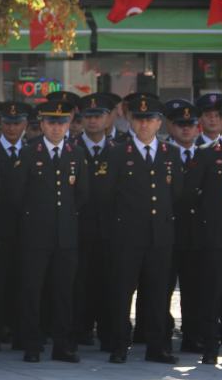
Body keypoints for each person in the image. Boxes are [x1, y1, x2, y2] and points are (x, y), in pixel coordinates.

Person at [98, 97, 183, 365]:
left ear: (160, 123)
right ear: (131, 122)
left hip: (160, 236)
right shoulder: (116, 152)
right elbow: (105, 195)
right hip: (127, 236)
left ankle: (156, 346)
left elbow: (176, 193)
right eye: (139, 119)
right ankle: (119, 345)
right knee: (122, 292)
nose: (144, 124)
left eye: (150, 120)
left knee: (158, 295)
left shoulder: (171, 153)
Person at [11, 100, 89, 363]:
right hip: (35, 233)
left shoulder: (76, 153)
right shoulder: (29, 153)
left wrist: (62, 217)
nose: (56, 128)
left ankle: (62, 344)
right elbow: (18, 195)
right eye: (51, 123)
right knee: (32, 291)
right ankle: (32, 343)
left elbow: (81, 194)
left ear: (68, 126)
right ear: (42, 125)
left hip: (65, 235)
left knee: (63, 292)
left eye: (61, 123)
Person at [186, 97, 222, 365]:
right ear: (220, 121)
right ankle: (211, 347)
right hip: (216, 237)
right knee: (212, 294)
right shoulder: (206, 152)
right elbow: (191, 194)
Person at [69, 93, 117, 353]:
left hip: (110, 231)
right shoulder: (71, 148)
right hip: (78, 229)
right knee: (78, 285)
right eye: (88, 116)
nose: (93, 121)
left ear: (108, 118)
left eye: (98, 116)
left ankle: (108, 336)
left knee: (108, 284)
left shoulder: (118, 149)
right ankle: (77, 333)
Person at [0, 101, 30, 351]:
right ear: (0, 124)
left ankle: (22, 334)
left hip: (28, 230)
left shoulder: (32, 150)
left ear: (25, 125)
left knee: (24, 284)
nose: (12, 128)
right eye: (8, 123)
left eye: (17, 123)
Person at [164, 102, 204, 354]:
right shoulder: (161, 152)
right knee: (161, 289)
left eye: (190, 125)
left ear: (198, 128)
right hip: (166, 232)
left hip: (196, 234)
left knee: (193, 290)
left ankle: (192, 336)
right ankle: (159, 337)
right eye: (180, 124)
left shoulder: (207, 153)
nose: (186, 129)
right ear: (170, 126)